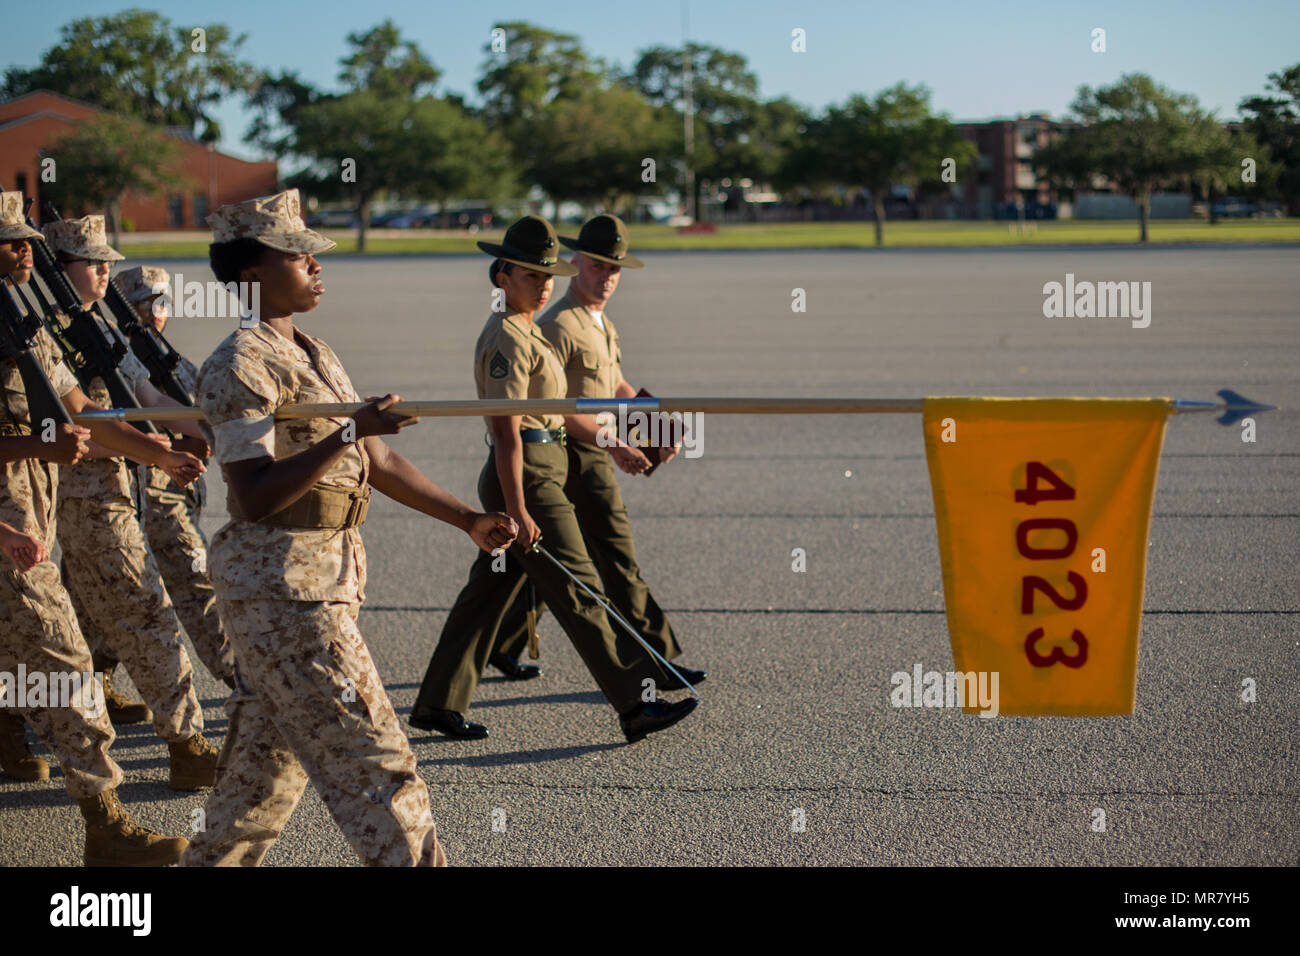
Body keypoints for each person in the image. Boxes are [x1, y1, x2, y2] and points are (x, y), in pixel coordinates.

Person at [180, 189, 516, 867]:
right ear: (251, 272)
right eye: (297, 254)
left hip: (315, 580)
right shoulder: (238, 363)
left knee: (257, 788)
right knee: (378, 767)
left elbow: (376, 456)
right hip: (284, 595)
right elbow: (252, 495)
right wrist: (346, 431)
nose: (315, 265)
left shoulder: (311, 347)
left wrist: (468, 519)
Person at [410, 215, 699, 744]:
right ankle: (636, 703)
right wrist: (518, 507)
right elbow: (506, 432)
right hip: (528, 478)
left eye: (548, 276)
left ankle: (437, 702)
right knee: (580, 586)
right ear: (502, 277)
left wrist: (641, 427)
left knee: (487, 594)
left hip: (542, 469)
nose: (544, 286)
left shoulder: (527, 330)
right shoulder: (506, 337)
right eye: (531, 276)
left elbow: (579, 402)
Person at [0, 190, 190, 864]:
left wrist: (160, 452)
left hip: (29, 527)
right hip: (9, 537)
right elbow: (49, 438)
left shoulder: (27, 333)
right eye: (11, 242)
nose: (25, 251)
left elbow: (82, 411)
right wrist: (35, 451)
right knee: (66, 668)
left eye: (28, 240)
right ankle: (106, 827)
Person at [490, 214, 705, 690]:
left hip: (597, 448)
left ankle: (501, 645)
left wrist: (654, 427)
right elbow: (556, 410)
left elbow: (614, 386)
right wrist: (617, 443)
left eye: (615, 269)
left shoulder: (599, 322)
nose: (606, 277)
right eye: (596, 266)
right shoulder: (559, 326)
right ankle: (657, 660)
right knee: (616, 556)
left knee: (548, 565)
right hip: (577, 456)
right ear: (574, 262)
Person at [43, 215, 220, 791]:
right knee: (147, 613)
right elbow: (86, 418)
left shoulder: (103, 327)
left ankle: (26, 723)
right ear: (58, 271)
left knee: (82, 613)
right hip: (86, 497)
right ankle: (187, 743)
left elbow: (144, 393)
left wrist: (207, 429)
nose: (104, 270)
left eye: (107, 261)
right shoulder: (41, 333)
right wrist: (157, 451)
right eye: (91, 262)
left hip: (127, 485)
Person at [115, 264, 236, 689]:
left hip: (178, 491)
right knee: (194, 584)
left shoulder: (173, 360)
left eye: (163, 301)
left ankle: (96, 676)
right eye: (147, 303)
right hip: (146, 492)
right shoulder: (114, 361)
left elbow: (203, 402)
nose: (157, 311)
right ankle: (244, 681)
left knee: (115, 596)